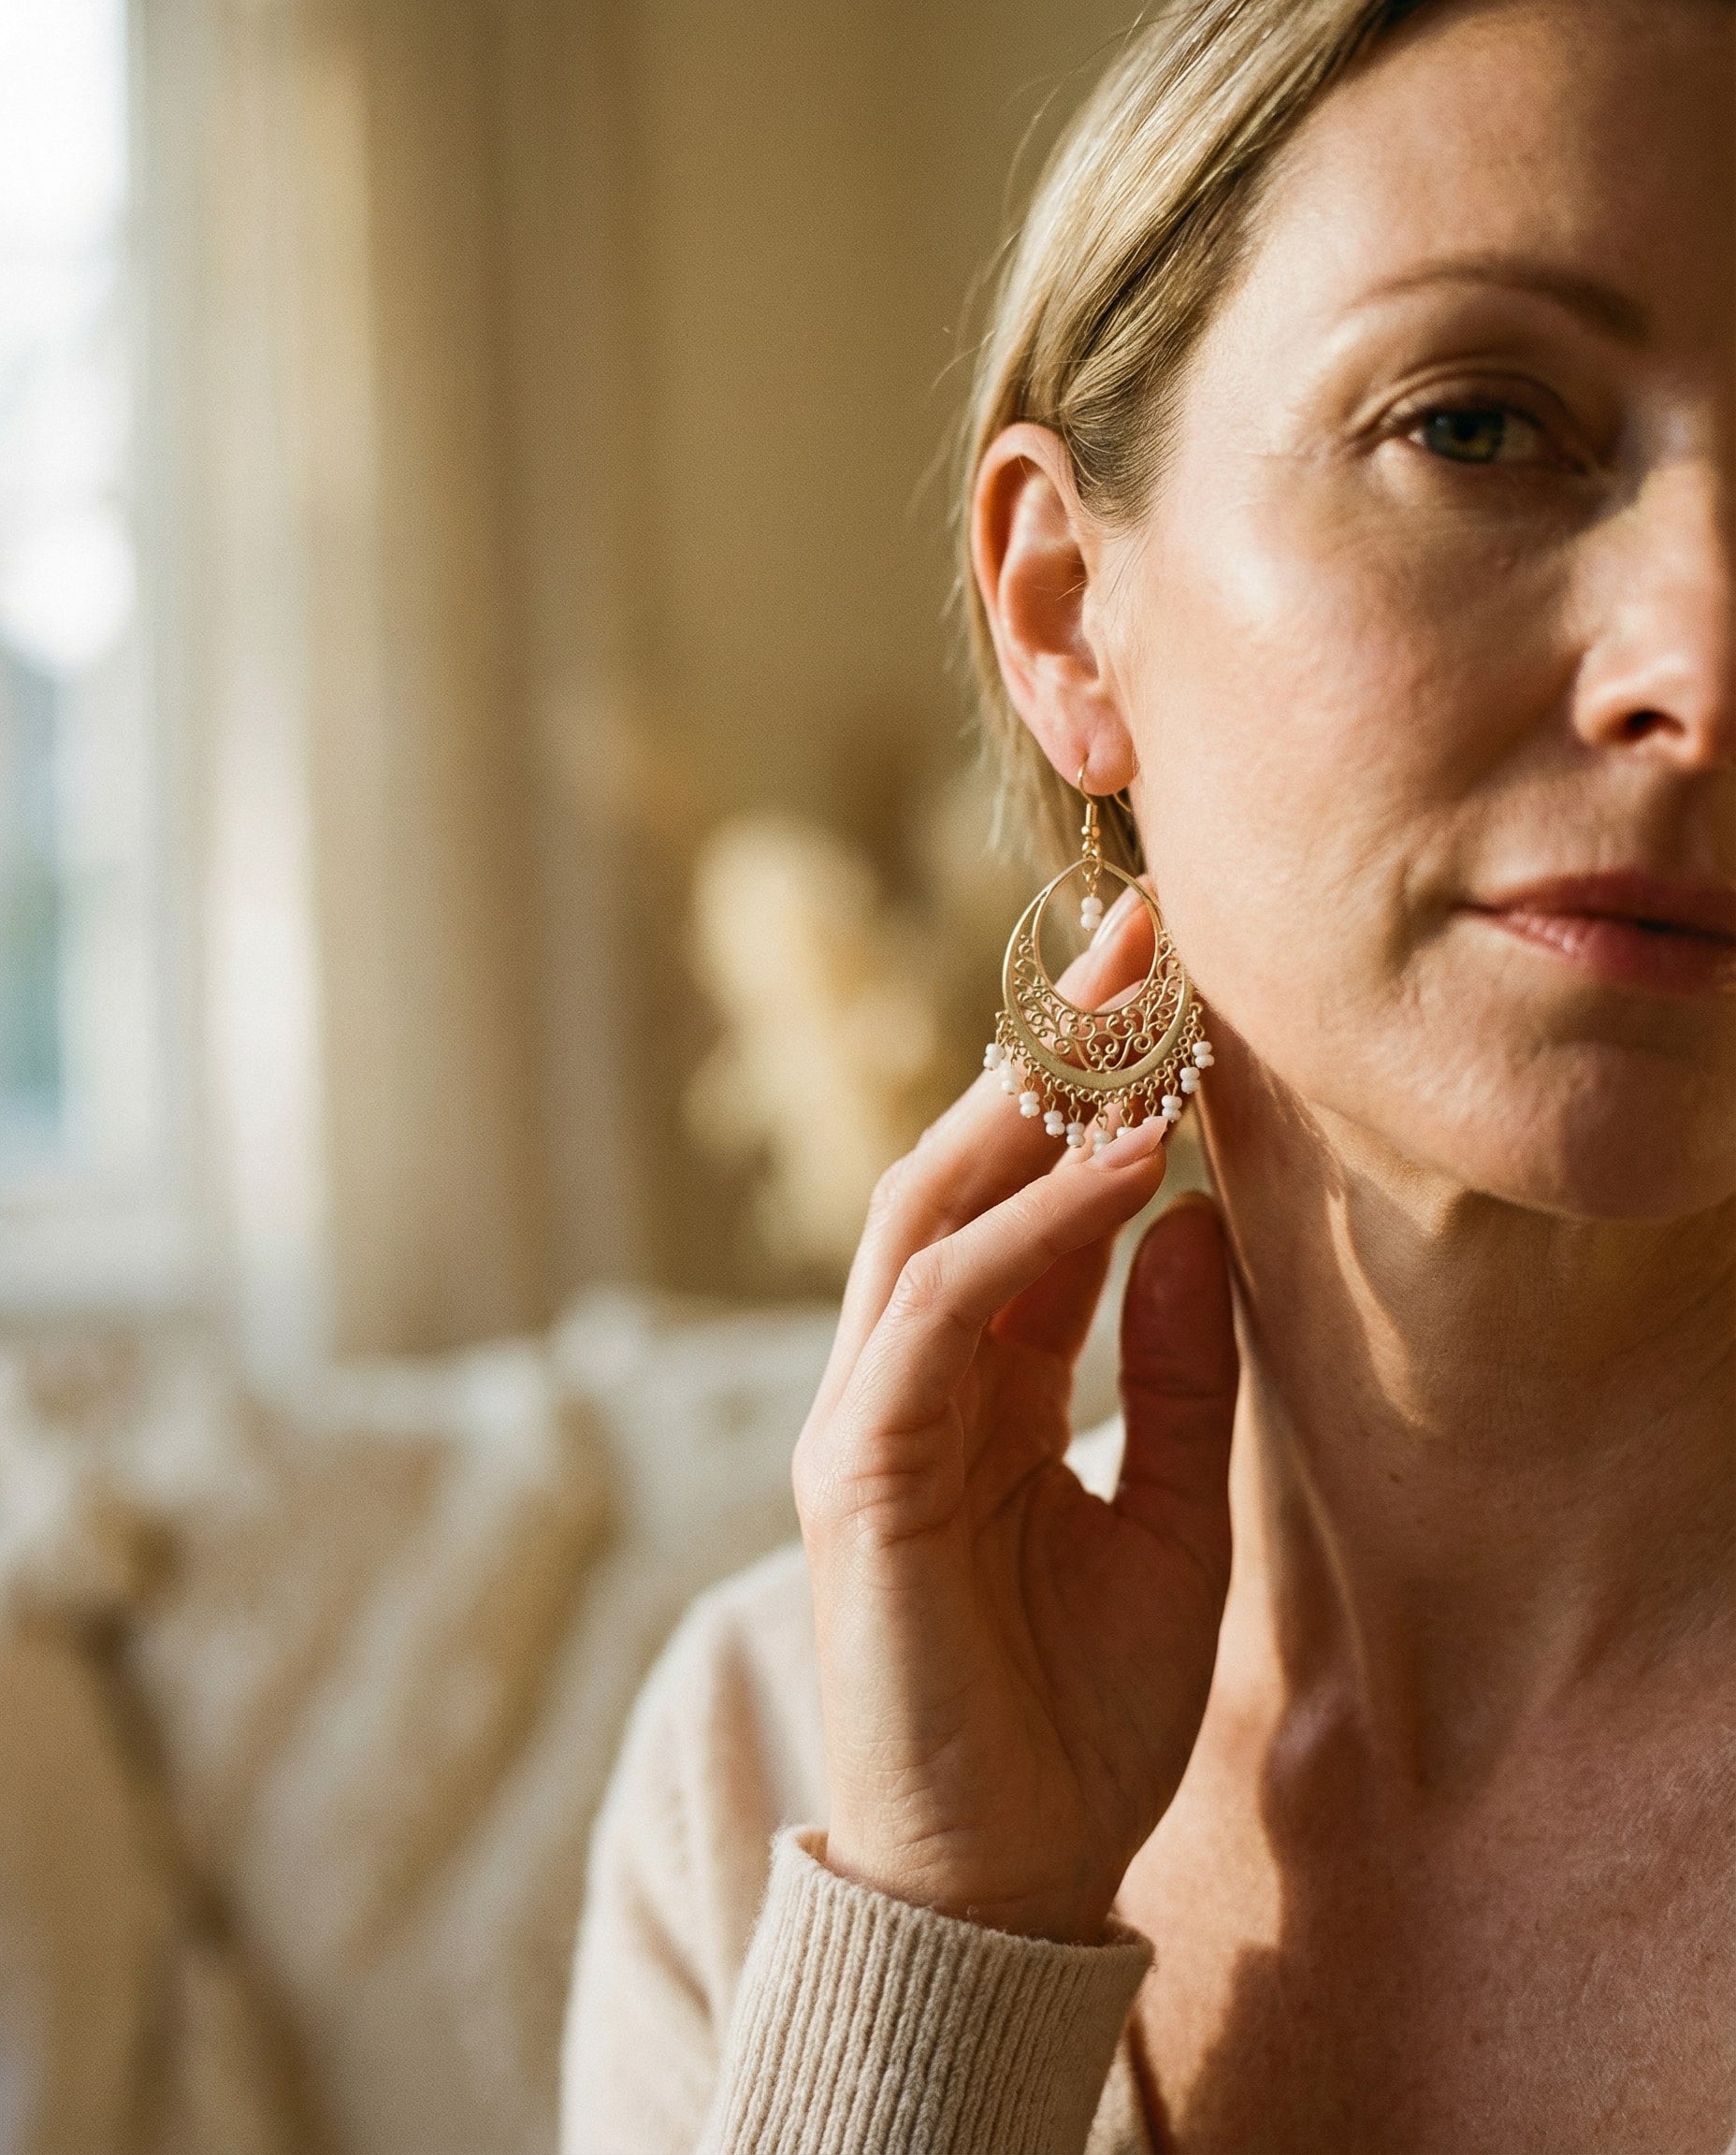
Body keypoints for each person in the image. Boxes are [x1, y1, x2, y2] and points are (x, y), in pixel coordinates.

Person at [561, 0, 1736, 2146]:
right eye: (1479, 426)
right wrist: (942, 1940)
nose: (1701, 667)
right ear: (1062, 610)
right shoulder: (770, 1763)